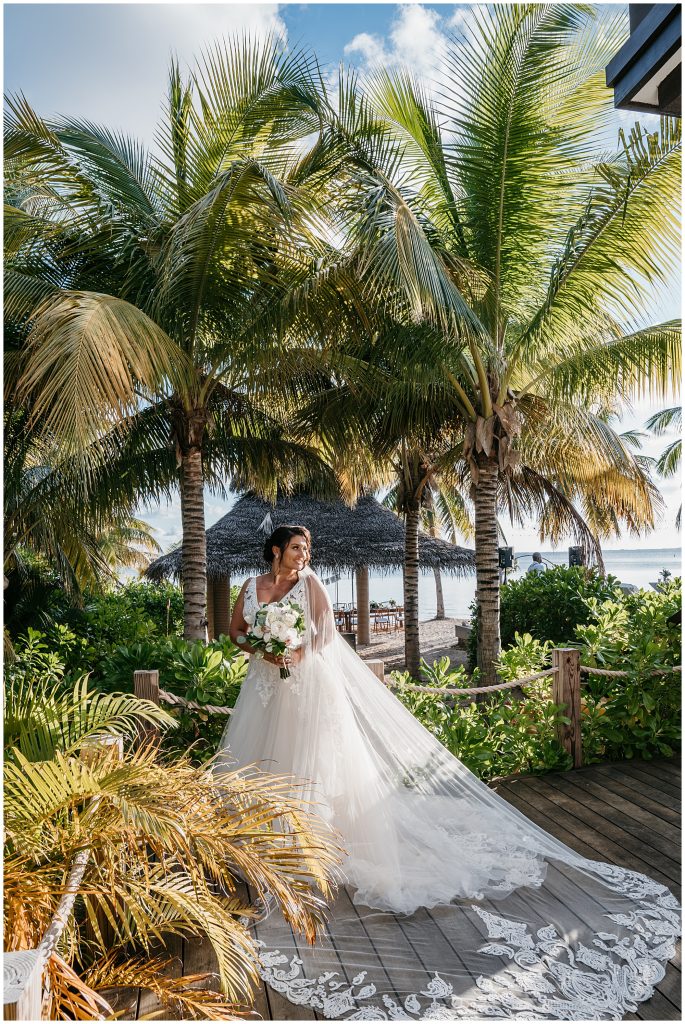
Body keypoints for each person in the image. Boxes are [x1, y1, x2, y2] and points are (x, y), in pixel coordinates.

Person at [215, 525, 679, 1020]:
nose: (304, 554)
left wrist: (296, 652)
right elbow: (236, 632)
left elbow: (326, 634)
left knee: (314, 762)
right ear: (274, 551)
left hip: (308, 686)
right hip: (265, 687)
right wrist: (265, 650)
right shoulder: (253, 587)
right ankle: (268, 836)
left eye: (308, 547)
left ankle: (314, 838)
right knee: (263, 761)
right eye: (295, 548)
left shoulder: (313, 586)